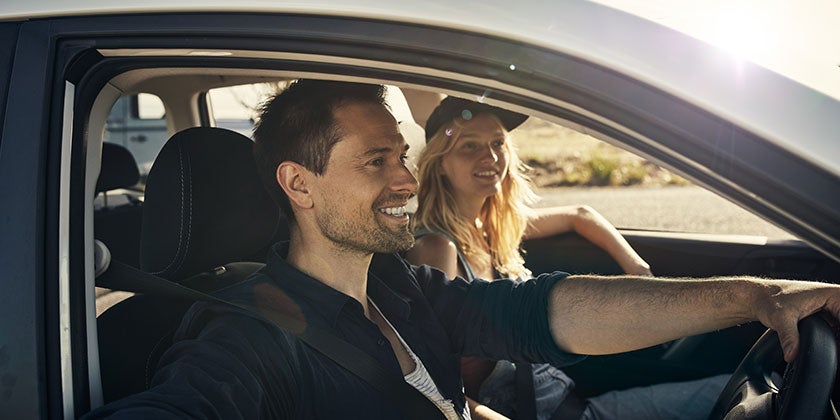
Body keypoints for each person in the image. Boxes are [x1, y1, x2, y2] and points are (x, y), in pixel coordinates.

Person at [86, 80, 840, 419]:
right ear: (300, 183)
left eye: (403, 156)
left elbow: (541, 311)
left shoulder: (407, 290)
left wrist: (753, 296)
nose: (407, 178)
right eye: (376, 160)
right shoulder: (249, 336)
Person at [405, 97, 724, 419]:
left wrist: (639, 272)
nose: (489, 156)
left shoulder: (494, 228)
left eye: (497, 143)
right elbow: (433, 382)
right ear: (440, 163)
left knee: (731, 391)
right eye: (469, 146)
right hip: (539, 413)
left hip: (571, 403)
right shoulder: (437, 249)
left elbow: (580, 215)